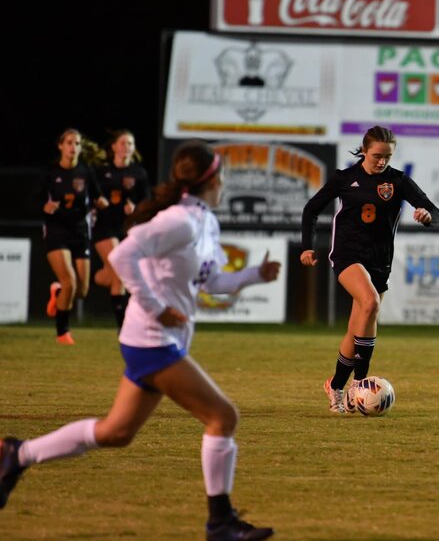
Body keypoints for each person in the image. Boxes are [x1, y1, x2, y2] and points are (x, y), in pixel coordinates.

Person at [1, 140, 280, 540]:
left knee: (115, 433)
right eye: (221, 175)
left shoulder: (205, 223)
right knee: (223, 417)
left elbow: (213, 282)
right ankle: (220, 522)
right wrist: (155, 306)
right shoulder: (178, 221)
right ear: (210, 179)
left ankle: (18, 454)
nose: (224, 182)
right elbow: (122, 256)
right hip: (152, 338)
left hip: (160, 339)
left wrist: (256, 274)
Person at [300, 126, 439, 414]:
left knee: (358, 327)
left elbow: (434, 211)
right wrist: (307, 246)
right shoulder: (345, 178)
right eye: (377, 155)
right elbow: (311, 209)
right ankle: (360, 383)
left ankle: (336, 386)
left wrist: (427, 216)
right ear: (364, 150)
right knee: (370, 302)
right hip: (347, 256)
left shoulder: (398, 181)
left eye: (387, 156)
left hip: (380, 262)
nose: (381, 161)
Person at [41, 128, 109, 345]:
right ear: (60, 146)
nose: (73, 147)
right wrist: (45, 206)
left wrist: (101, 202)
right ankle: (63, 333)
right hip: (56, 231)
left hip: (80, 231)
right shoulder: (51, 172)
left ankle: (58, 291)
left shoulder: (86, 171)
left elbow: (98, 196)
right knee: (69, 281)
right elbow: (31, 200)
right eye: (69, 142)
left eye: (77, 143)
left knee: (81, 290)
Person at [91, 129, 150, 330]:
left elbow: (147, 202)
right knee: (119, 272)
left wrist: (136, 209)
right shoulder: (101, 171)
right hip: (105, 227)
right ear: (114, 147)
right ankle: (123, 328)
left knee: (113, 275)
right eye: (123, 143)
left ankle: (77, 283)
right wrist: (96, 202)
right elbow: (89, 195)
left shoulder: (138, 172)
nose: (127, 147)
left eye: (130, 144)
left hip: (127, 229)